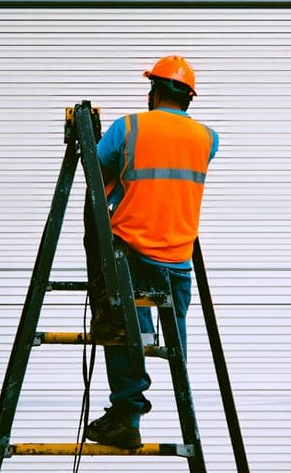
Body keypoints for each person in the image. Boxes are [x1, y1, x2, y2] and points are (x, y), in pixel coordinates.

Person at [84, 55, 219, 449]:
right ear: (189, 99)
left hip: (132, 249)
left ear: (155, 90)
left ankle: (126, 413)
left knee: (121, 325)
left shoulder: (129, 127)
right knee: (174, 333)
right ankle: (182, 402)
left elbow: (98, 174)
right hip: (178, 255)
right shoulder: (207, 138)